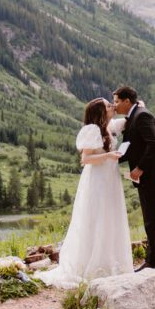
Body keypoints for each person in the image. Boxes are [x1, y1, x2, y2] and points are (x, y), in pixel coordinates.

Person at [35, 98, 133, 289]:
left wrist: (137, 107)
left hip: (109, 178)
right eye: (108, 106)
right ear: (100, 112)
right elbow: (85, 158)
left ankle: (109, 260)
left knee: (110, 217)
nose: (112, 107)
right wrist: (108, 156)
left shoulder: (107, 126)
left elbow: (124, 121)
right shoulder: (92, 130)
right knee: (97, 217)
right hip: (97, 179)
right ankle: (92, 264)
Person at [113, 85, 155, 270]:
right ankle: (151, 260)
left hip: (154, 174)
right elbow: (132, 146)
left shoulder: (142, 115)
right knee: (149, 219)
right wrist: (111, 160)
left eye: (116, 101)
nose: (115, 106)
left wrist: (140, 167)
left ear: (126, 101)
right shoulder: (133, 115)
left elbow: (154, 143)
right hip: (145, 176)